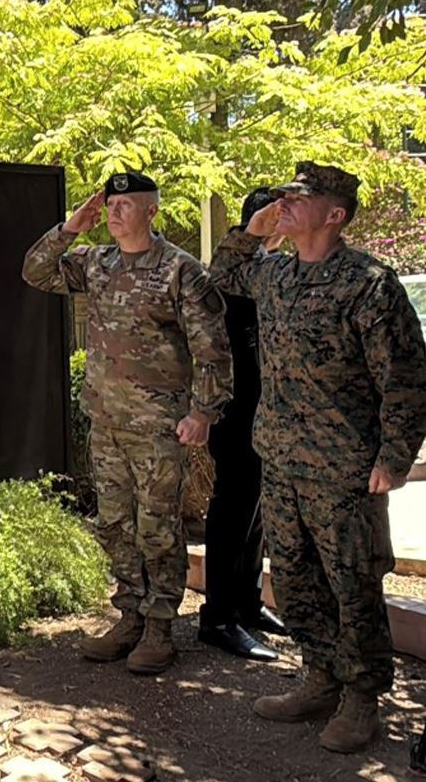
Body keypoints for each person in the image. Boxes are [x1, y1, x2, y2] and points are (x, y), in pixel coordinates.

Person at [211, 162, 426, 754]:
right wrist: (251, 231)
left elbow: (406, 379)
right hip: (281, 461)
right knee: (296, 579)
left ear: (335, 214)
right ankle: (320, 678)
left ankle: (362, 699)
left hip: (344, 471)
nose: (285, 203)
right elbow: (223, 274)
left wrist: (394, 459)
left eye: (299, 198)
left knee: (352, 586)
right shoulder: (276, 274)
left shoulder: (368, 284)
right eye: (284, 194)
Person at [23, 171, 232, 675]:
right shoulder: (98, 262)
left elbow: (212, 348)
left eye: (126, 205)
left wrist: (203, 412)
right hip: (107, 421)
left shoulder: (180, 271)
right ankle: (130, 616)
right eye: (110, 205)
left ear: (151, 211)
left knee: (158, 526)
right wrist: (71, 227)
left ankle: (160, 627)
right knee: (115, 524)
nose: (114, 212)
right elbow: (35, 271)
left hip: (159, 426)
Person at [198, 188, 288, 662]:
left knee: (256, 513)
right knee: (232, 510)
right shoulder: (233, 272)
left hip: (268, 413)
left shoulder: (275, 270)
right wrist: (251, 235)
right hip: (234, 410)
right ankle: (218, 617)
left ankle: (248, 604)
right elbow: (220, 280)